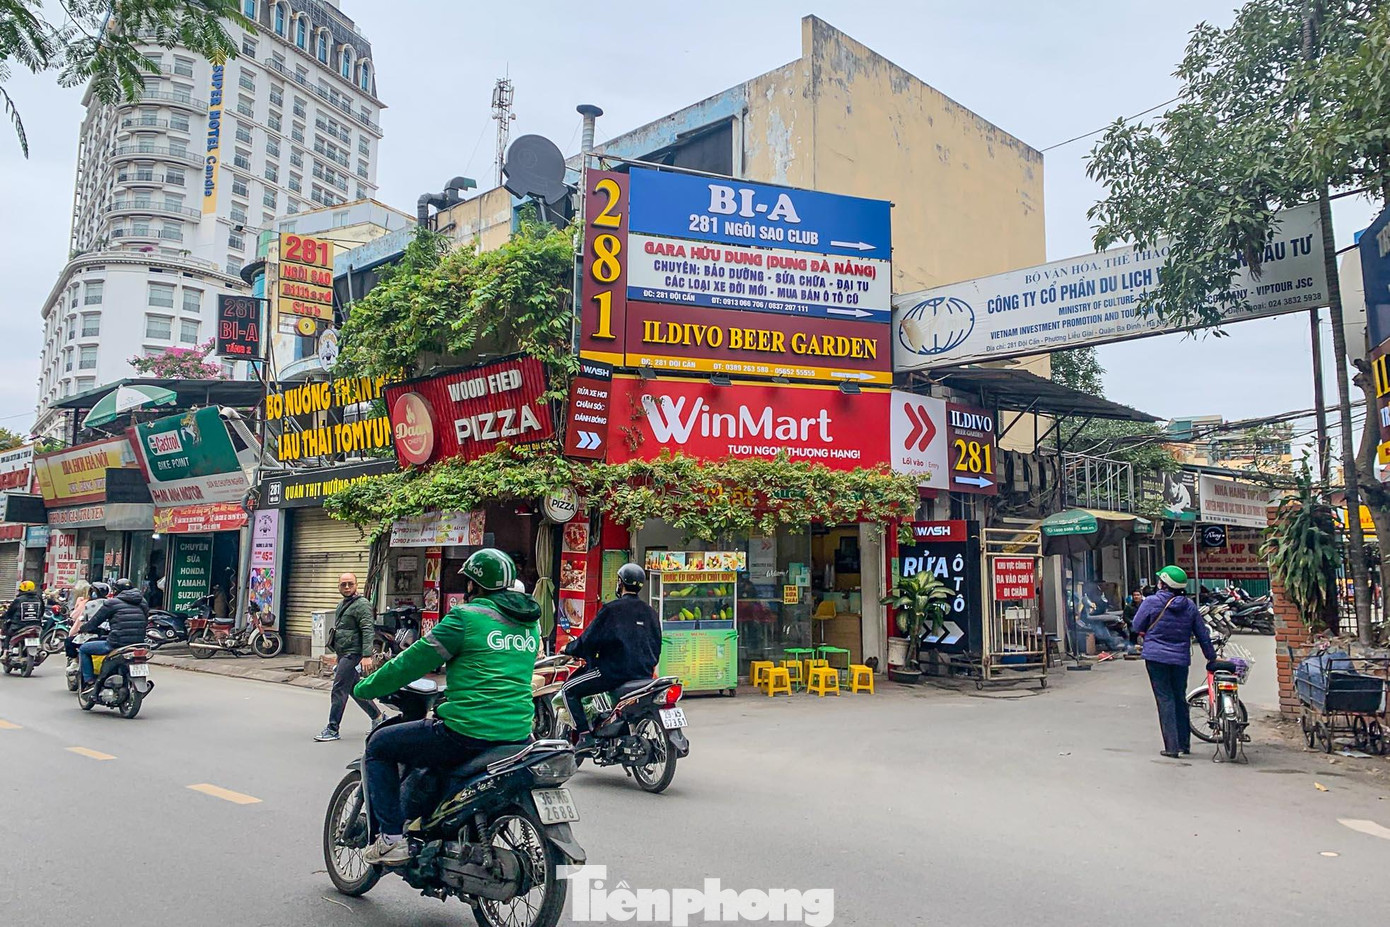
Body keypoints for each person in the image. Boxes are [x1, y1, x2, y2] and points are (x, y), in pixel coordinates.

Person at [352, 548, 540, 866]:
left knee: (381, 745)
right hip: (519, 734)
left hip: (467, 732)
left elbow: (410, 663)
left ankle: (391, 840)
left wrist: (366, 687)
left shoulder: (465, 618)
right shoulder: (529, 625)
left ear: (473, 585)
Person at [560, 562, 662, 750]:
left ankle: (584, 736)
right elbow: (657, 645)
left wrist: (569, 648)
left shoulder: (611, 610)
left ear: (620, 583)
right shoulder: (651, 612)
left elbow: (589, 640)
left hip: (612, 673)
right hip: (643, 675)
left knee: (568, 689)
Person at [1133, 565, 1218, 758]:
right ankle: (1184, 744)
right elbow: (1202, 634)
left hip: (1156, 658)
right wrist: (1211, 658)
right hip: (1180, 659)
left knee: (1165, 699)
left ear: (1163, 584)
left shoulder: (1152, 602)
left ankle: (1171, 747)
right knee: (1179, 697)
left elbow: (1136, 625)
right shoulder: (1190, 606)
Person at [315, 572, 383, 742]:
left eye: (350, 584)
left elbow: (368, 630)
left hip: (353, 654)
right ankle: (378, 718)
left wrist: (366, 655)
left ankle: (332, 728)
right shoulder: (343, 604)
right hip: (343, 652)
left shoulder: (362, 605)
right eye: (343, 584)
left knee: (339, 689)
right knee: (354, 689)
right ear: (339, 586)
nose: (346, 587)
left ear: (356, 585)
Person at [78, 578, 147, 688]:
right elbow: (145, 620)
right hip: (138, 643)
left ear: (115, 591)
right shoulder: (143, 602)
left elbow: (96, 621)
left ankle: (89, 681)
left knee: (84, 649)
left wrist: (83, 628)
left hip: (117, 643)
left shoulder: (111, 603)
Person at [2, 580, 45, 645]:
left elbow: (10, 612)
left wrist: (4, 616)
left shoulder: (19, 599)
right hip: (36, 625)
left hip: (19, 626)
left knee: (8, 633)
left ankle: (5, 650)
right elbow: (42, 611)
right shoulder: (39, 598)